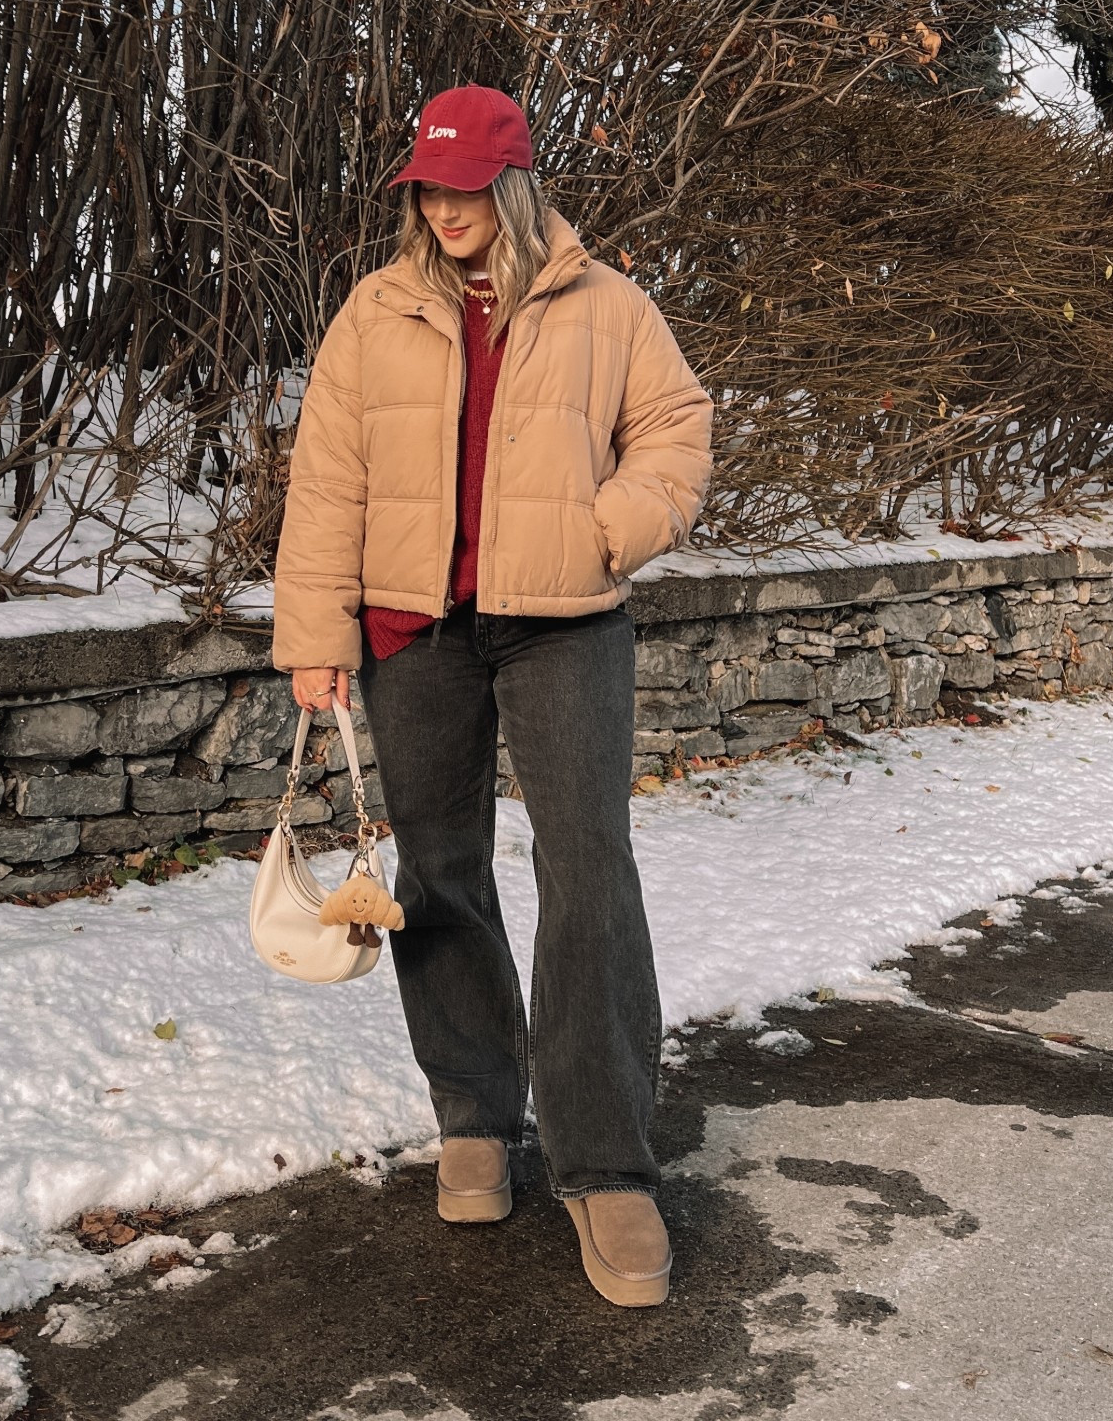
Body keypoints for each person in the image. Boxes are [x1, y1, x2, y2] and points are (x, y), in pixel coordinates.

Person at [271, 82, 713, 1307]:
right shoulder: (377, 309)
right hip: (418, 631)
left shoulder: (606, 304)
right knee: (440, 870)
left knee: (589, 869)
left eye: (468, 184)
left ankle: (609, 1160)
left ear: (511, 182)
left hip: (564, 625)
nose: (446, 206)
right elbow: (325, 478)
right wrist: (317, 630)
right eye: (429, 182)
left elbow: (677, 430)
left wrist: (606, 529)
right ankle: (474, 1111)